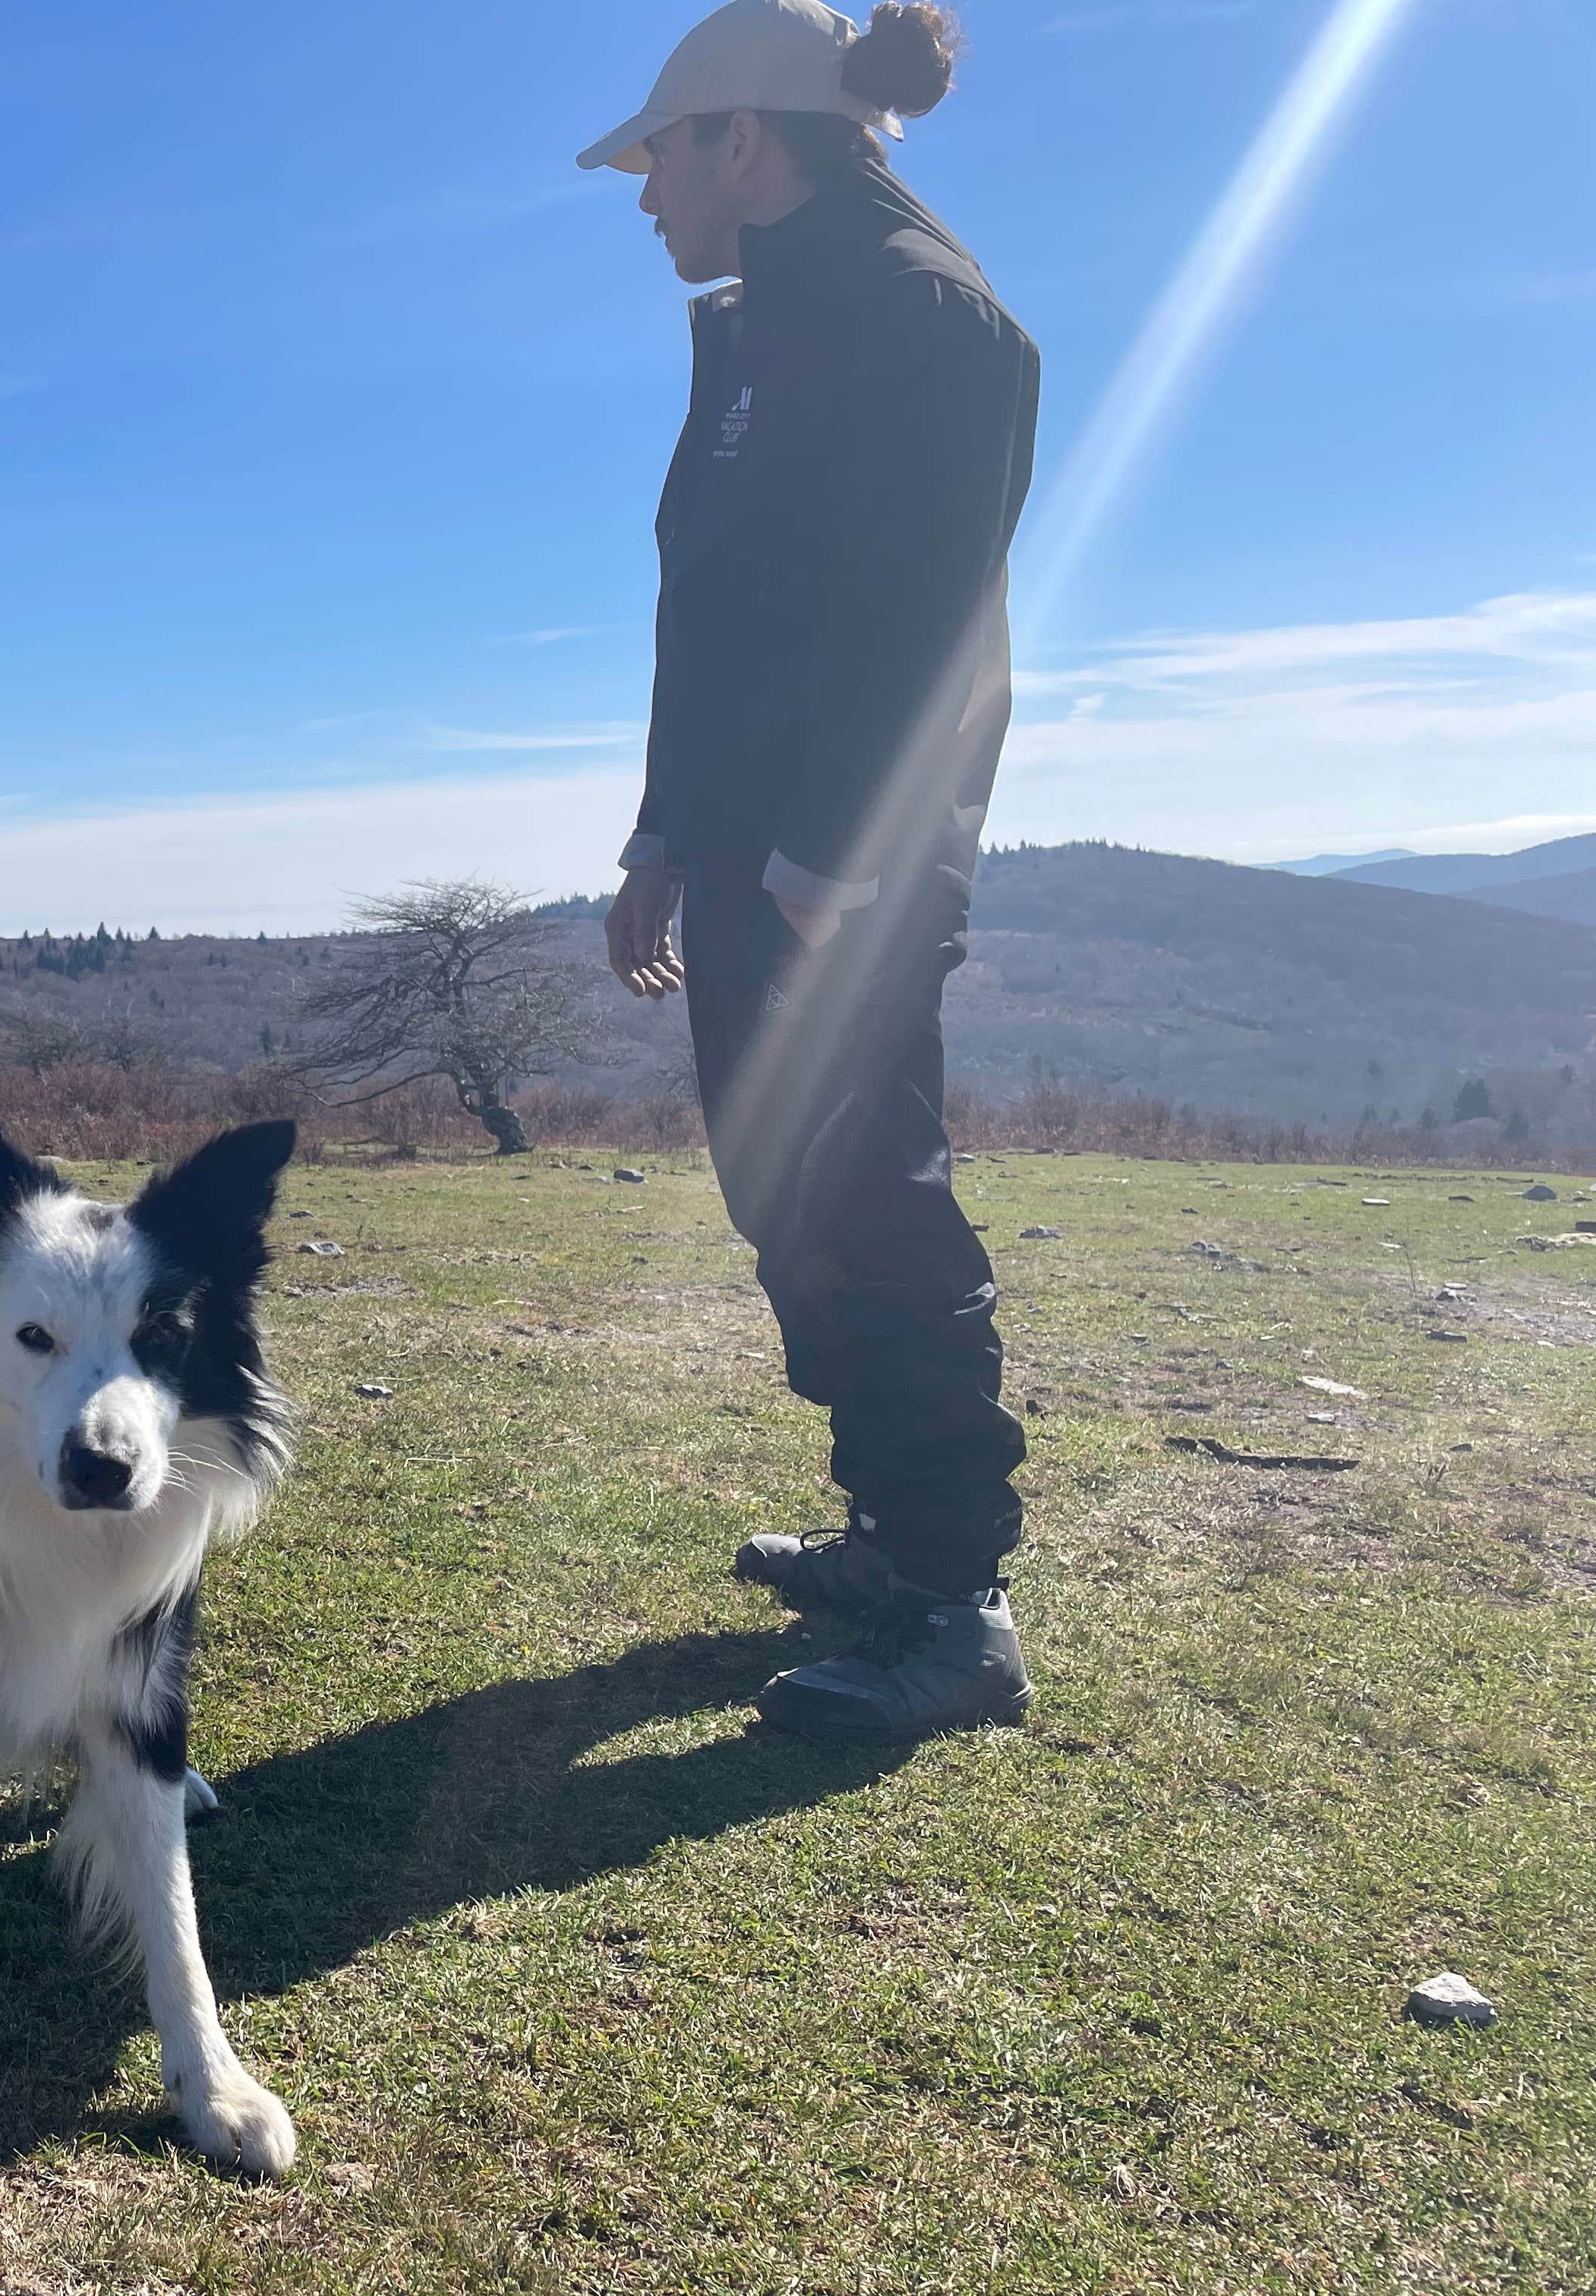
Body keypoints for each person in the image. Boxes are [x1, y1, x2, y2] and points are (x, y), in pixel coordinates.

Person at [579, 0, 1041, 1740]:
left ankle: (958, 1605)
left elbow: (922, 621)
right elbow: (714, 620)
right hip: (750, 859)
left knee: (874, 1200)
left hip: (843, 873)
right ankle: (892, 1535)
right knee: (790, 1196)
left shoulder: (929, 312)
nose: (645, 195)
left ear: (742, 138)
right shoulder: (762, 332)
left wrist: (830, 865)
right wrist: (664, 834)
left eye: (658, 158)